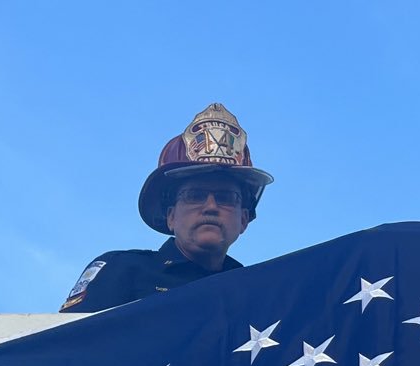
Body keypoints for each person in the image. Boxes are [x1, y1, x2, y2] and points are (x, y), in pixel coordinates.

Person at [60, 103, 273, 313]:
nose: (210, 206)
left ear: (243, 219)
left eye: (226, 198)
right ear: (171, 216)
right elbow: (68, 342)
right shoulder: (121, 271)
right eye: (195, 196)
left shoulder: (256, 293)